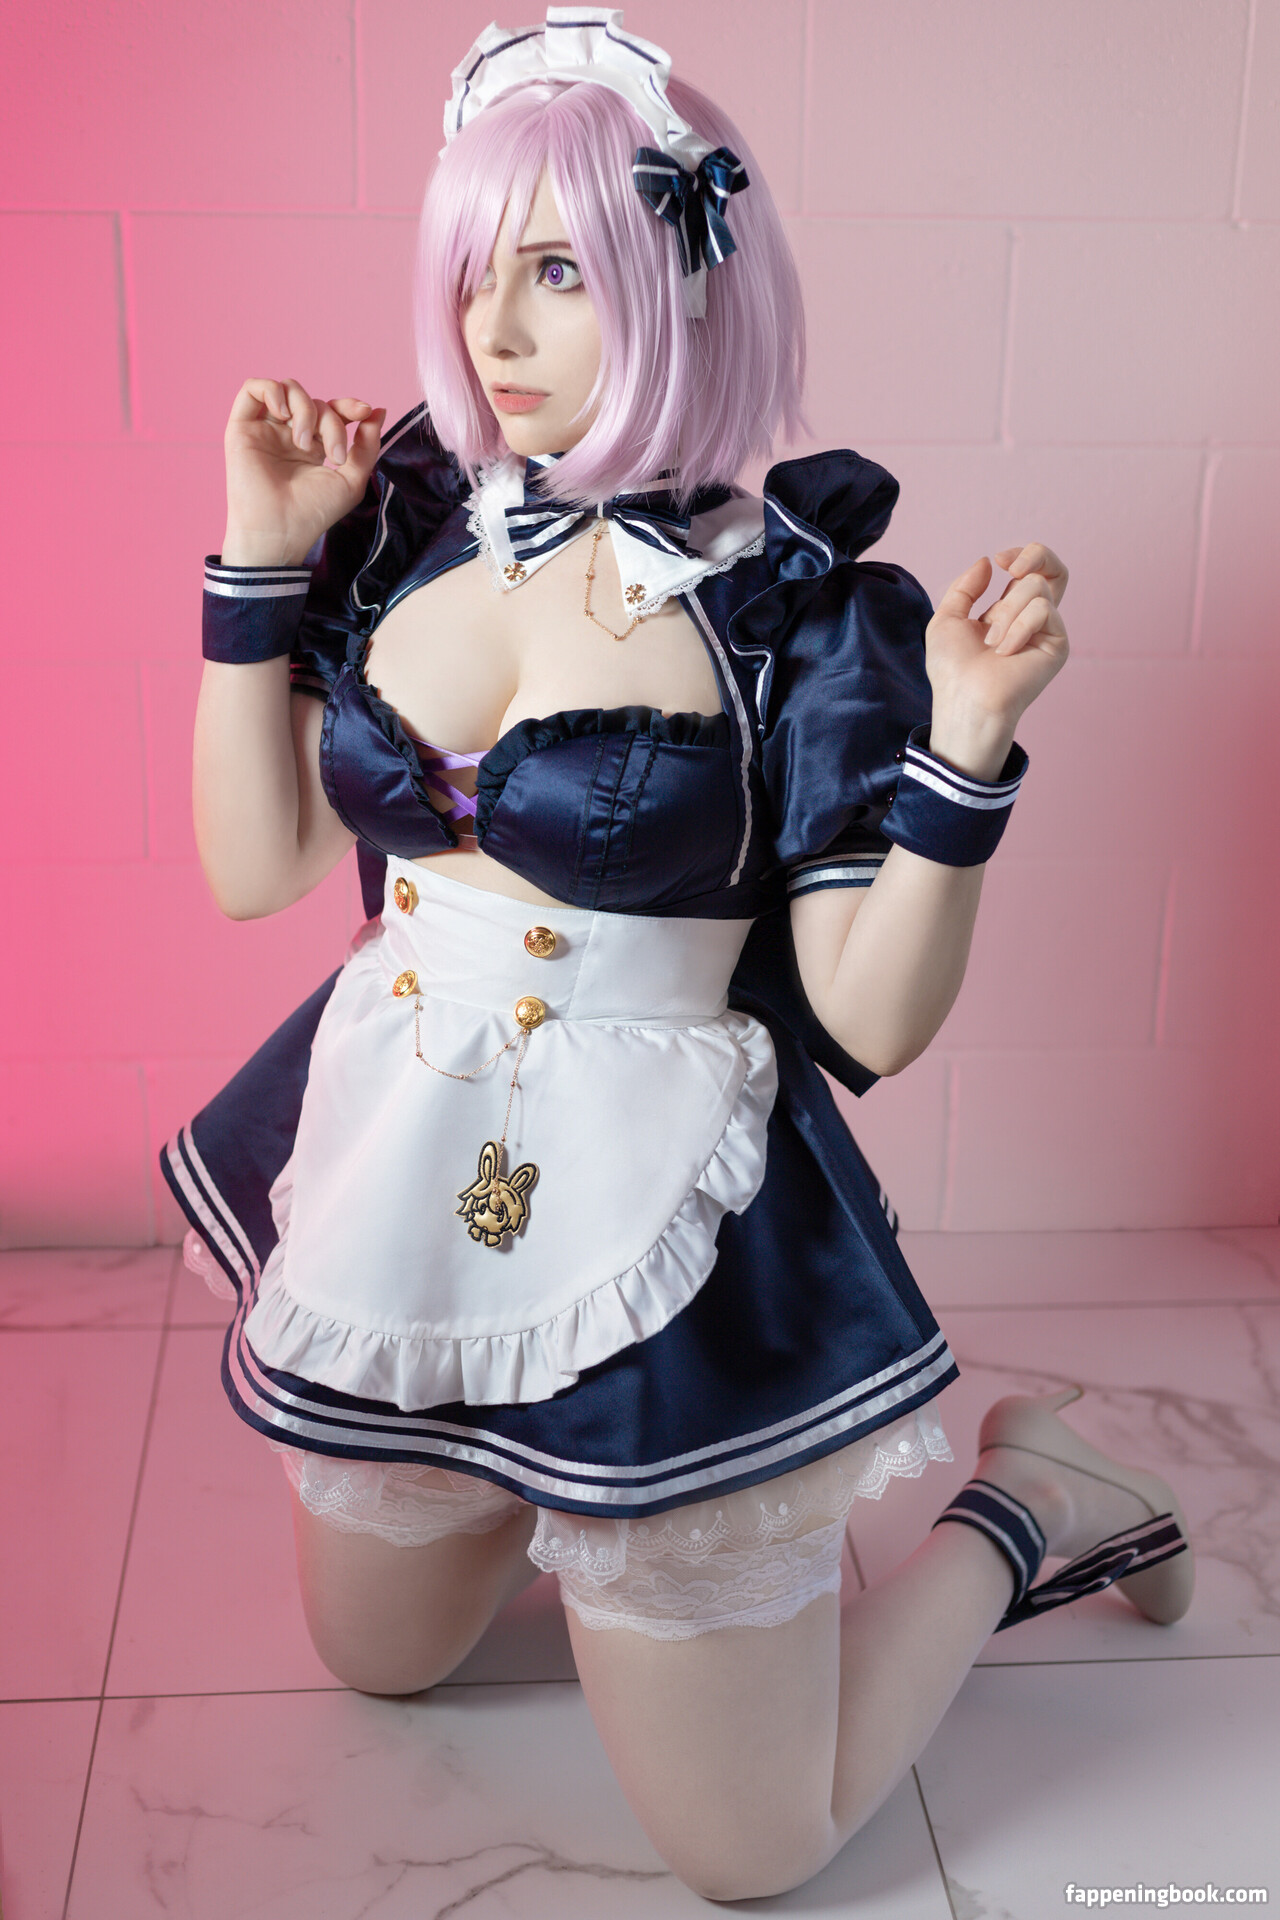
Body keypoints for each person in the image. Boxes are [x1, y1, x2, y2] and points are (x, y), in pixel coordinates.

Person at [169, 9, 1192, 1899]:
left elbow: (869, 1010)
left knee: (752, 1845)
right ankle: (527, 1474)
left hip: (658, 1219)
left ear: (690, 279)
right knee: (377, 1659)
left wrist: (965, 753)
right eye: (473, 268)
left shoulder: (794, 613)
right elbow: (260, 867)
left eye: (558, 272)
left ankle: (1038, 1496)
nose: (494, 326)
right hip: (410, 1154)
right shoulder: (406, 530)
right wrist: (261, 548)